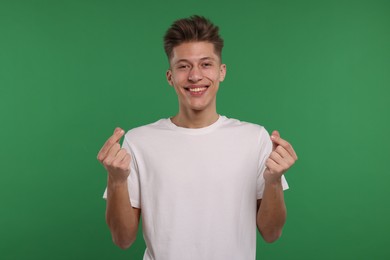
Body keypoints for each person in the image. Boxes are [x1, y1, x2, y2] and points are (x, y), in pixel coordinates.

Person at [97, 15, 298, 260]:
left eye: (206, 64)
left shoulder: (254, 138)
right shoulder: (139, 142)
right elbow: (122, 239)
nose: (194, 76)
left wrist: (274, 181)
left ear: (221, 72)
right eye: (183, 66)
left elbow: (271, 232)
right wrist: (116, 180)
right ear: (170, 77)